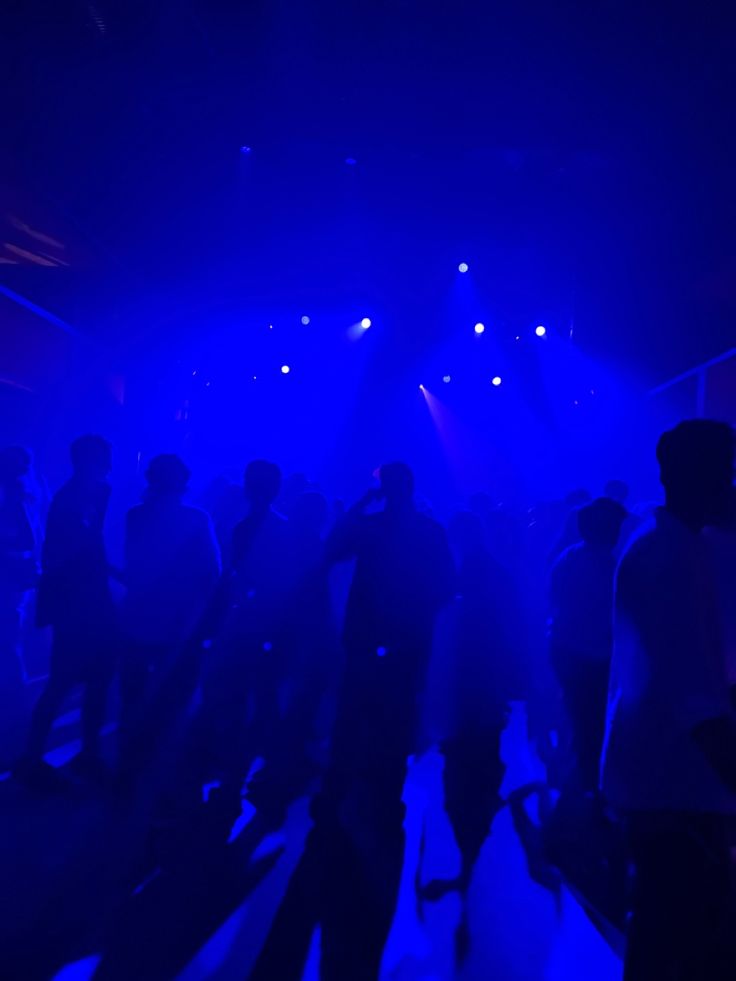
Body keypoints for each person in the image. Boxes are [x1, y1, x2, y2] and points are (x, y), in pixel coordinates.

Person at [252, 462, 455, 980]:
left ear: (385, 488)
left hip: (367, 645)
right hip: (404, 648)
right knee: (388, 723)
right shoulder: (430, 531)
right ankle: (380, 800)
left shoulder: (371, 526)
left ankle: (340, 795)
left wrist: (364, 506)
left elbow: (330, 552)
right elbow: (447, 588)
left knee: (353, 718)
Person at [601, 420, 736, 980]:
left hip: (655, 774)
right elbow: (689, 691)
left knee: (663, 926)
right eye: (725, 468)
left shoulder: (654, 533)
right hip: (676, 781)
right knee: (679, 935)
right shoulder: (672, 554)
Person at [420, 509, 525, 962]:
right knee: (473, 771)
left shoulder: (462, 576)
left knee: (466, 774)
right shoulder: (489, 574)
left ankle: (471, 855)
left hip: (472, 692)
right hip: (479, 694)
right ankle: (471, 857)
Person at [15, 435, 117, 787]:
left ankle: (83, 754)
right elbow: (61, 557)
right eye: (104, 460)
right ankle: (32, 760)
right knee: (64, 683)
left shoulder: (93, 496)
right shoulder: (70, 501)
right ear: (86, 463)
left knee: (94, 681)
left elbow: (91, 550)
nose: (109, 467)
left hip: (91, 604)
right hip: (78, 608)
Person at [118, 454, 221, 780]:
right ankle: (158, 778)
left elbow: (132, 566)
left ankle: (127, 768)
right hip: (180, 624)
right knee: (172, 703)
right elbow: (212, 573)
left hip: (137, 618)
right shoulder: (197, 519)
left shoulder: (135, 516)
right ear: (184, 482)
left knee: (132, 698)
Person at [549, 496, 627, 790]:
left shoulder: (568, 559)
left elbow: (556, 605)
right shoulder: (608, 566)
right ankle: (590, 791)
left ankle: (583, 786)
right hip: (593, 658)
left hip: (571, 652)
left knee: (581, 721)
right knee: (592, 725)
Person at [0, 447, 40, 754]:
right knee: (11, 645)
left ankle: (18, 722)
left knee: (11, 645)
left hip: (13, 581)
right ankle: (18, 722)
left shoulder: (19, 496)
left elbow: (27, 539)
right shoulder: (21, 495)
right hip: (14, 581)